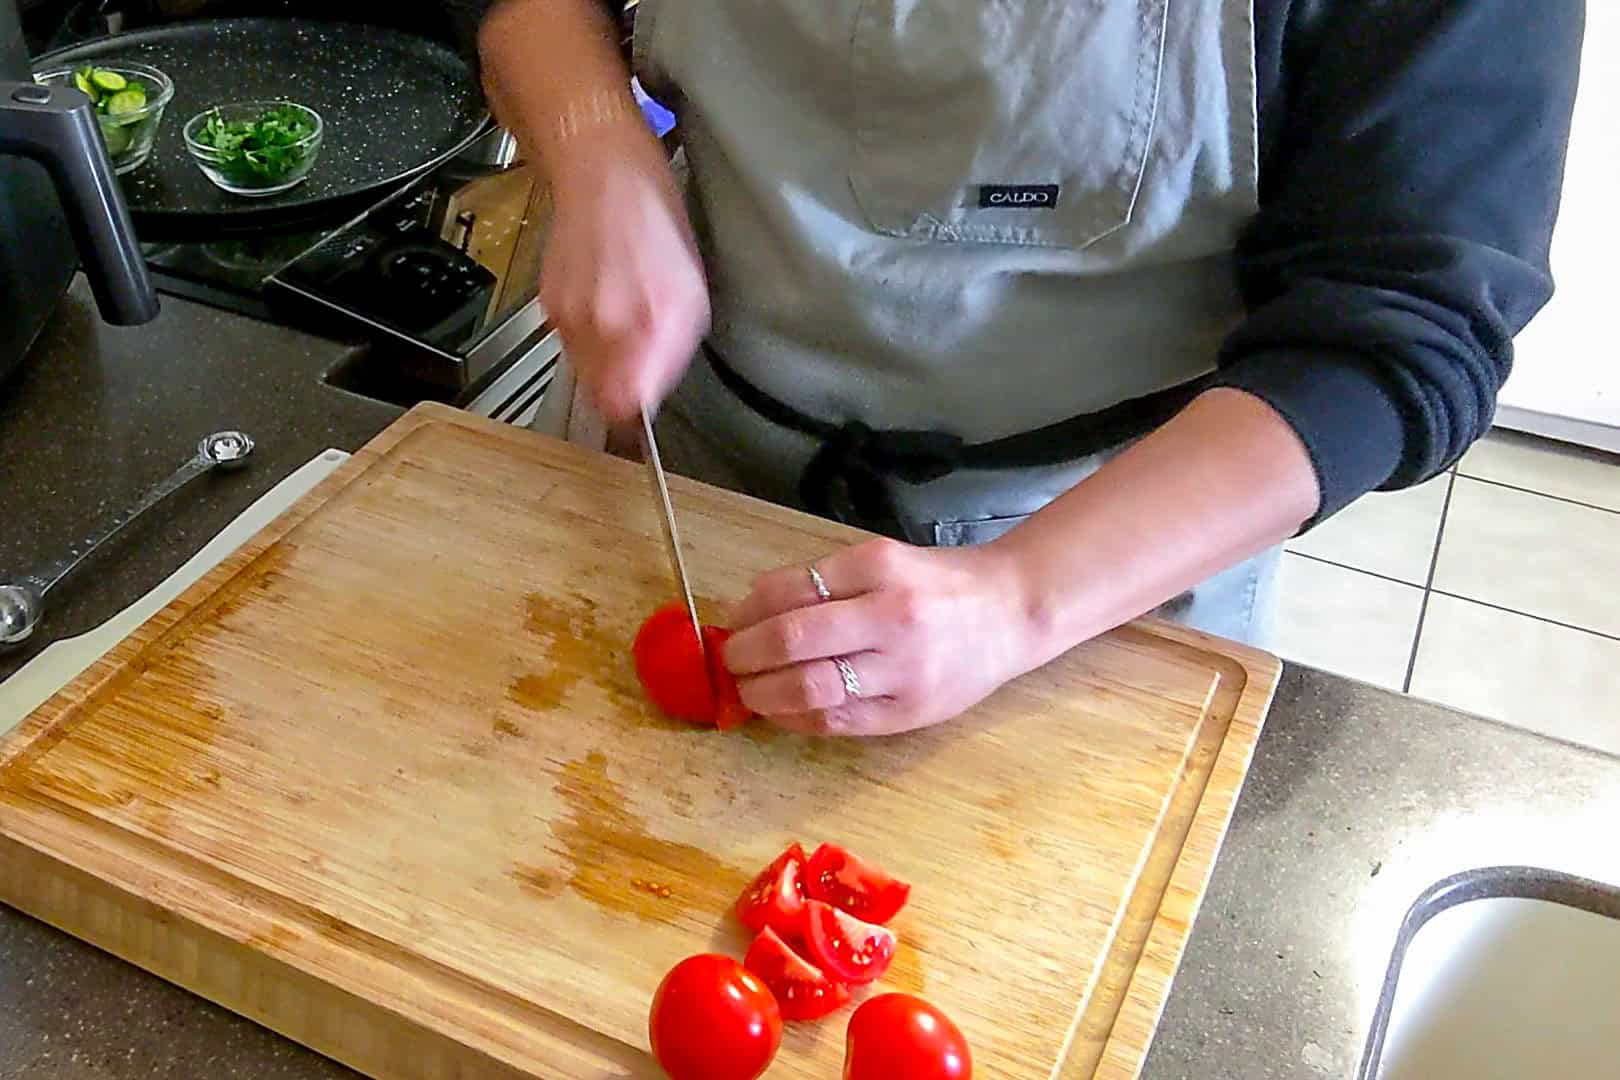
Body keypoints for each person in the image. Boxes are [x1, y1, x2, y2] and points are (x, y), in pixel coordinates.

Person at [451, 0, 1583, 736]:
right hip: (677, 467)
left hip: (1094, 580)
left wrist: (1016, 602)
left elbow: (1403, 322)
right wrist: (598, 140)